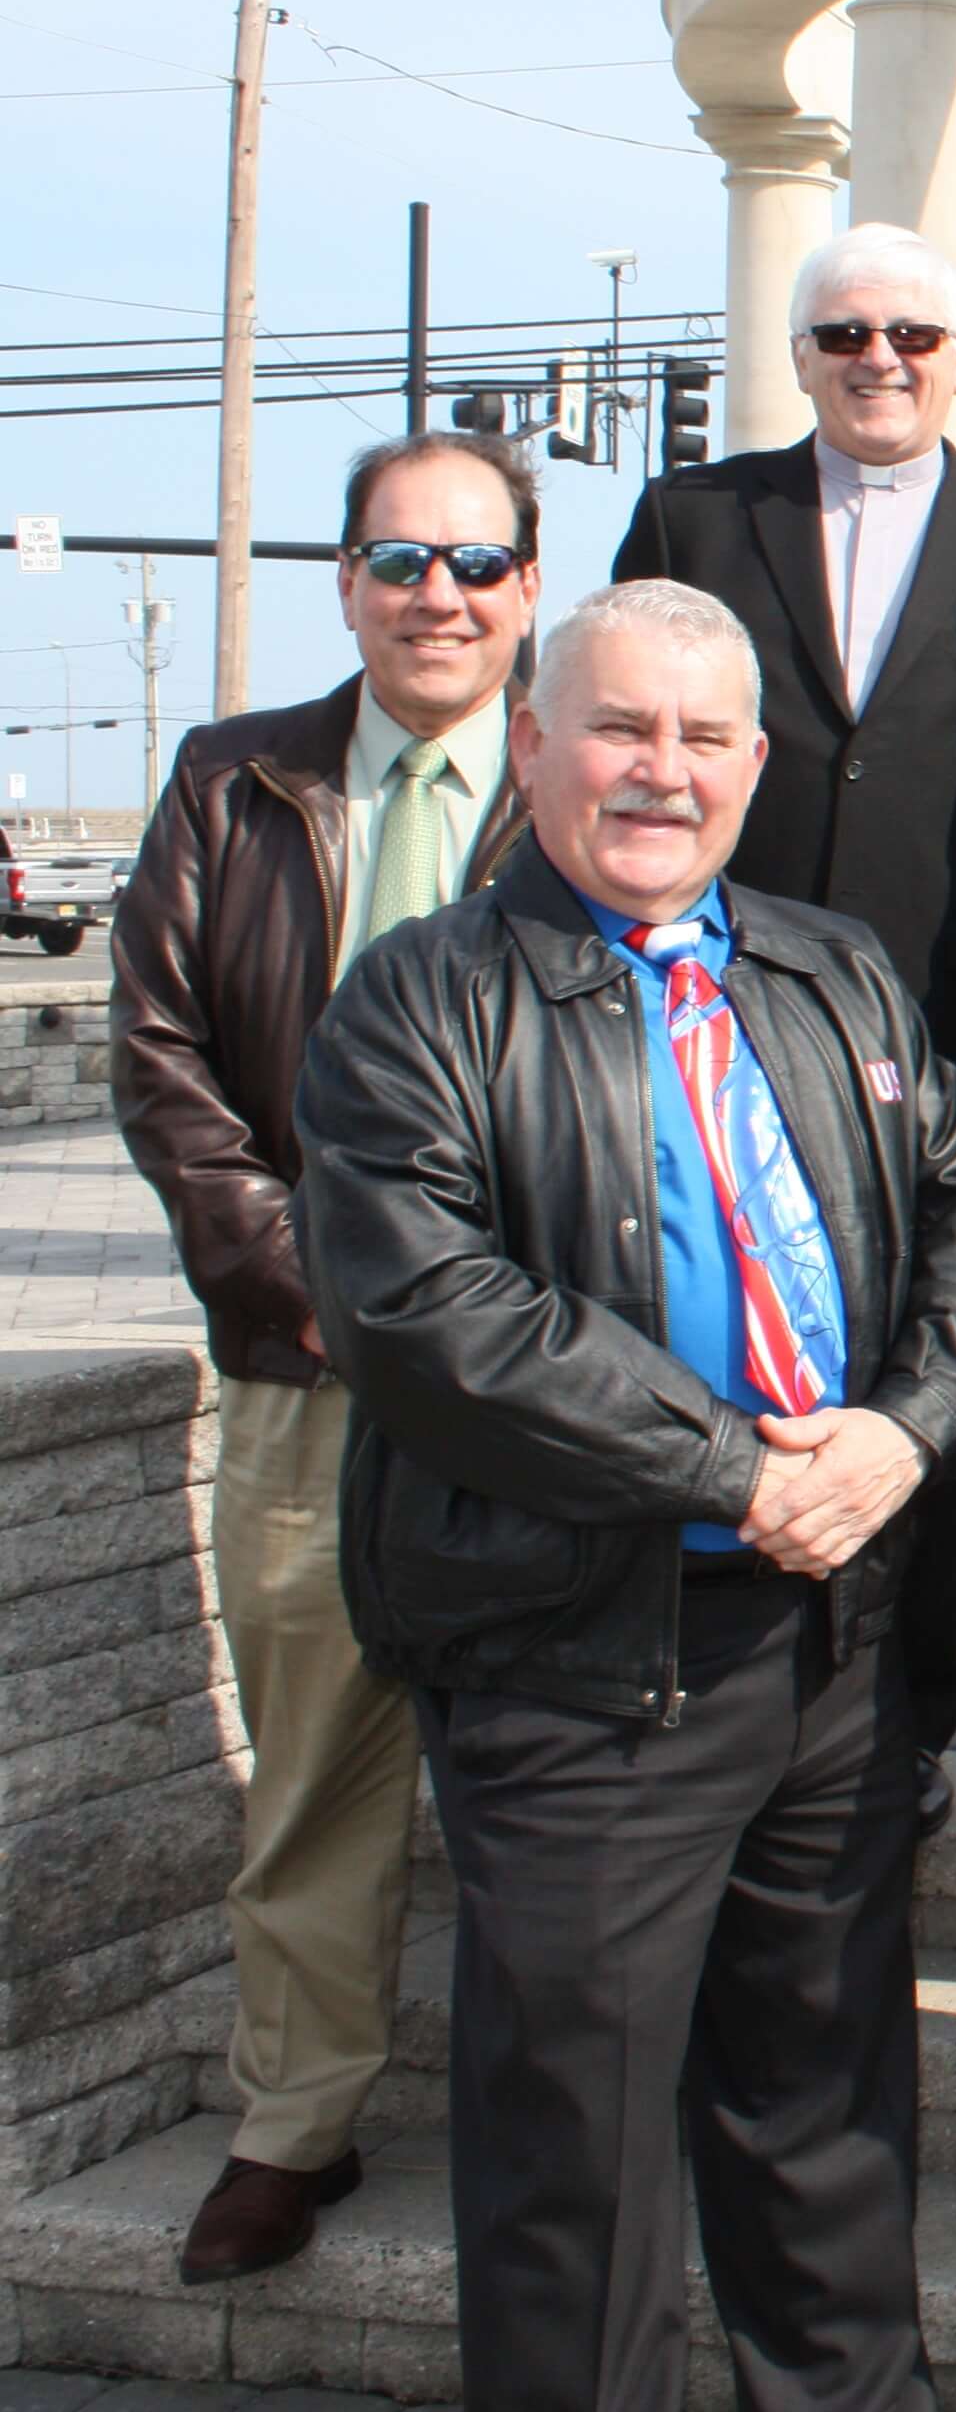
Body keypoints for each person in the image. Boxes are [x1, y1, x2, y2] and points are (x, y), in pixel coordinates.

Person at [292, 579, 956, 2411]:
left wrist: (906, 1430)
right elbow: (425, 1310)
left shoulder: (830, 966)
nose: (661, 773)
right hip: (579, 1669)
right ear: (533, 744)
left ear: (756, 767)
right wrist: (727, 1469)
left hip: (833, 1651)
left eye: (705, 739)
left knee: (828, 2123)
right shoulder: (422, 999)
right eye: (620, 728)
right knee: (578, 2167)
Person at [108, 432, 537, 2286]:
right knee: (312, 1766)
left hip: (534, 1380)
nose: (437, 594)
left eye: (476, 561)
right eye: (398, 557)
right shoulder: (240, 780)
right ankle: (292, 2121)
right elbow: (163, 1055)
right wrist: (296, 1282)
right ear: (347, 583)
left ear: (533, 586)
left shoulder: (591, 769)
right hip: (303, 1372)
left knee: (549, 1771)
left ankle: (558, 2131)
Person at [612, 220, 956, 1815]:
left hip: (934, 1028)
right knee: (715, 1331)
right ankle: (720, 1680)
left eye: (911, 335)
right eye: (844, 336)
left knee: (918, 1368)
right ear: (801, 353)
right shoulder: (697, 516)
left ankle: (909, 1711)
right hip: (711, 1014)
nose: (878, 360)